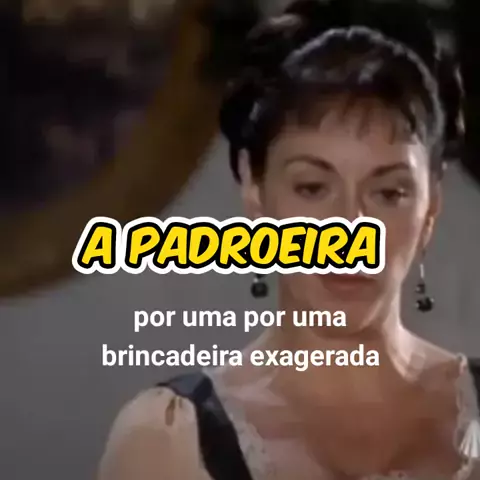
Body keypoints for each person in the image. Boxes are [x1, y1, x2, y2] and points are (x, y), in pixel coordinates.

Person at [97, 1, 480, 479]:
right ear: (255, 189)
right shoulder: (168, 440)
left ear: (430, 207)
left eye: (388, 193)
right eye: (313, 188)